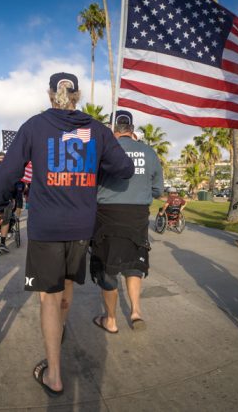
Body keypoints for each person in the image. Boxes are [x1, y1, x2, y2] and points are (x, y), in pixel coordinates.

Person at [0, 72, 134, 396]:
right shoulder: (96, 129)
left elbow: (6, 173)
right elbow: (124, 168)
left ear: (49, 94)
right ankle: (60, 330)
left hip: (46, 228)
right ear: (77, 95)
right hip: (81, 227)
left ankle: (54, 374)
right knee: (65, 291)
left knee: (49, 298)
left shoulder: (34, 126)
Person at [90, 110, 163, 334]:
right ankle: (136, 311)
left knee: (107, 268)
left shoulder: (102, 151)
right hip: (138, 215)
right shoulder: (150, 153)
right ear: (131, 128)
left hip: (107, 214)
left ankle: (111, 320)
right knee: (134, 264)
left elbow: (89, 185)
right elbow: (158, 190)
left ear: (112, 129)